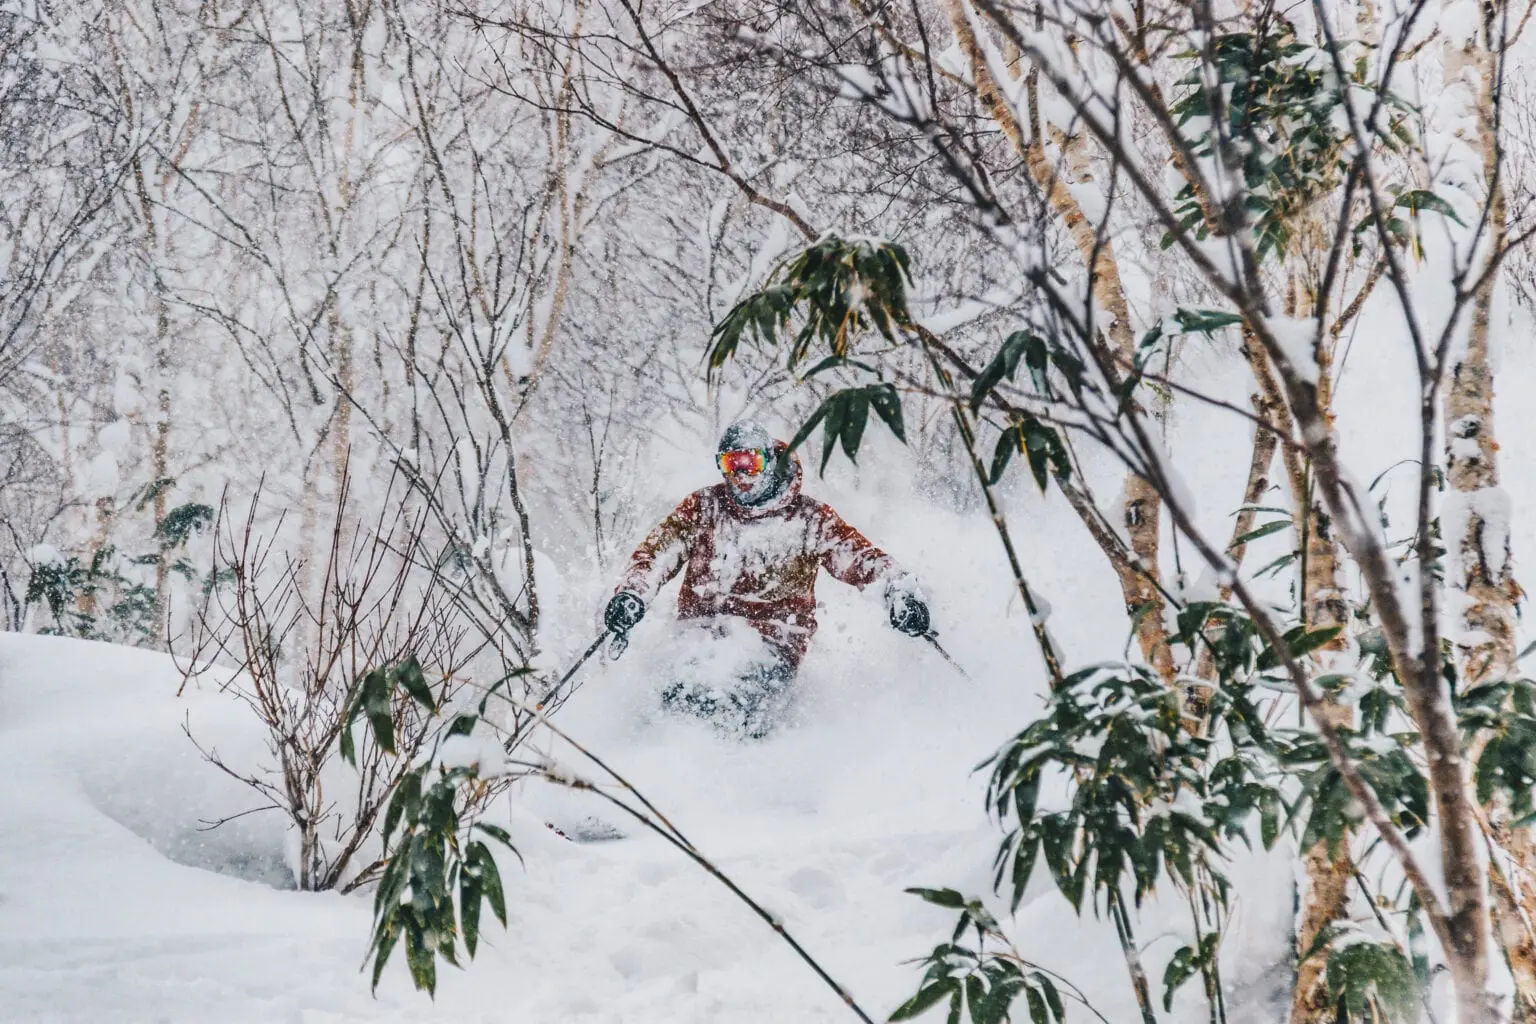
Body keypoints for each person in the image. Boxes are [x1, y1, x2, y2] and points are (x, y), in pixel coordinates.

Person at [604, 420, 930, 737]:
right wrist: (632, 594)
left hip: (773, 644)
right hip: (698, 637)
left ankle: (740, 772)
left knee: (734, 704)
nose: (741, 473)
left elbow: (860, 558)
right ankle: (656, 767)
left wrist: (898, 593)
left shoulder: (808, 519)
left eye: (751, 460)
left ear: (770, 460)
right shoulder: (704, 507)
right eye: (731, 463)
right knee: (675, 695)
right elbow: (659, 553)